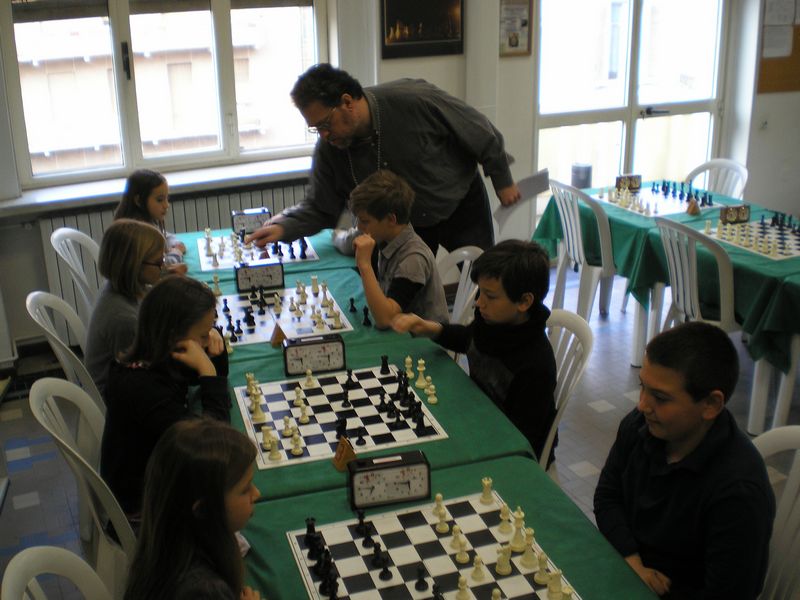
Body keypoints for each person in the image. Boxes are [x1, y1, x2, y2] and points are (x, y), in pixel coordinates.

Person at [246, 63, 521, 254]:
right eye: (316, 128)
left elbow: (479, 130)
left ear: (347, 102)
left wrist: (503, 180)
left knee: (484, 282)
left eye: (325, 124)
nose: (324, 135)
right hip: (402, 225)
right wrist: (285, 227)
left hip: (460, 204)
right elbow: (321, 207)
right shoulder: (330, 147)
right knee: (403, 297)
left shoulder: (413, 99)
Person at [594, 322, 775, 599]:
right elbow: (608, 494)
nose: (642, 405)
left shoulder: (738, 492)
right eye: (643, 387)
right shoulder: (639, 425)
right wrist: (632, 561)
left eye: (660, 397)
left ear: (711, 405)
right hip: (629, 570)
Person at [391, 240, 557, 464]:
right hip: (479, 417)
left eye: (490, 296)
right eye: (480, 292)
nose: (479, 303)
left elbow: (522, 441)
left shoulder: (536, 365)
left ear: (524, 301)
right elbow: (470, 339)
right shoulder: (494, 323)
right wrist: (431, 329)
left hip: (507, 448)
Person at [101, 275, 230, 522]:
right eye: (203, 335)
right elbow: (215, 444)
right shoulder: (142, 388)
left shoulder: (153, 357)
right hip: (145, 511)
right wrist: (208, 372)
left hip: (156, 480)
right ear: (174, 337)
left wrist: (214, 350)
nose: (209, 339)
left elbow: (200, 377)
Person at [124, 419, 262, 600]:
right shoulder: (204, 591)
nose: (257, 494)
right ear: (203, 510)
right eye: (245, 489)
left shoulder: (166, 543)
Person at [349, 170, 448, 329]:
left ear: (391, 219)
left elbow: (385, 320)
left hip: (422, 341)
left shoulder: (413, 258)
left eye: (365, 221)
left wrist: (364, 265)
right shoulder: (387, 238)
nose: (359, 227)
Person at [84, 219, 165, 396]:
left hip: (125, 383)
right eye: (159, 262)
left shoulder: (120, 286)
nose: (163, 267)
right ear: (135, 266)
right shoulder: (124, 319)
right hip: (116, 400)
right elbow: (147, 376)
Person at [115, 169, 188, 274]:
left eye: (167, 198)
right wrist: (177, 252)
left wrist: (174, 244)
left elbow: (165, 236)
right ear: (139, 200)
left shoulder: (146, 221)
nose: (166, 205)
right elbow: (160, 267)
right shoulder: (139, 234)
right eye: (160, 200)